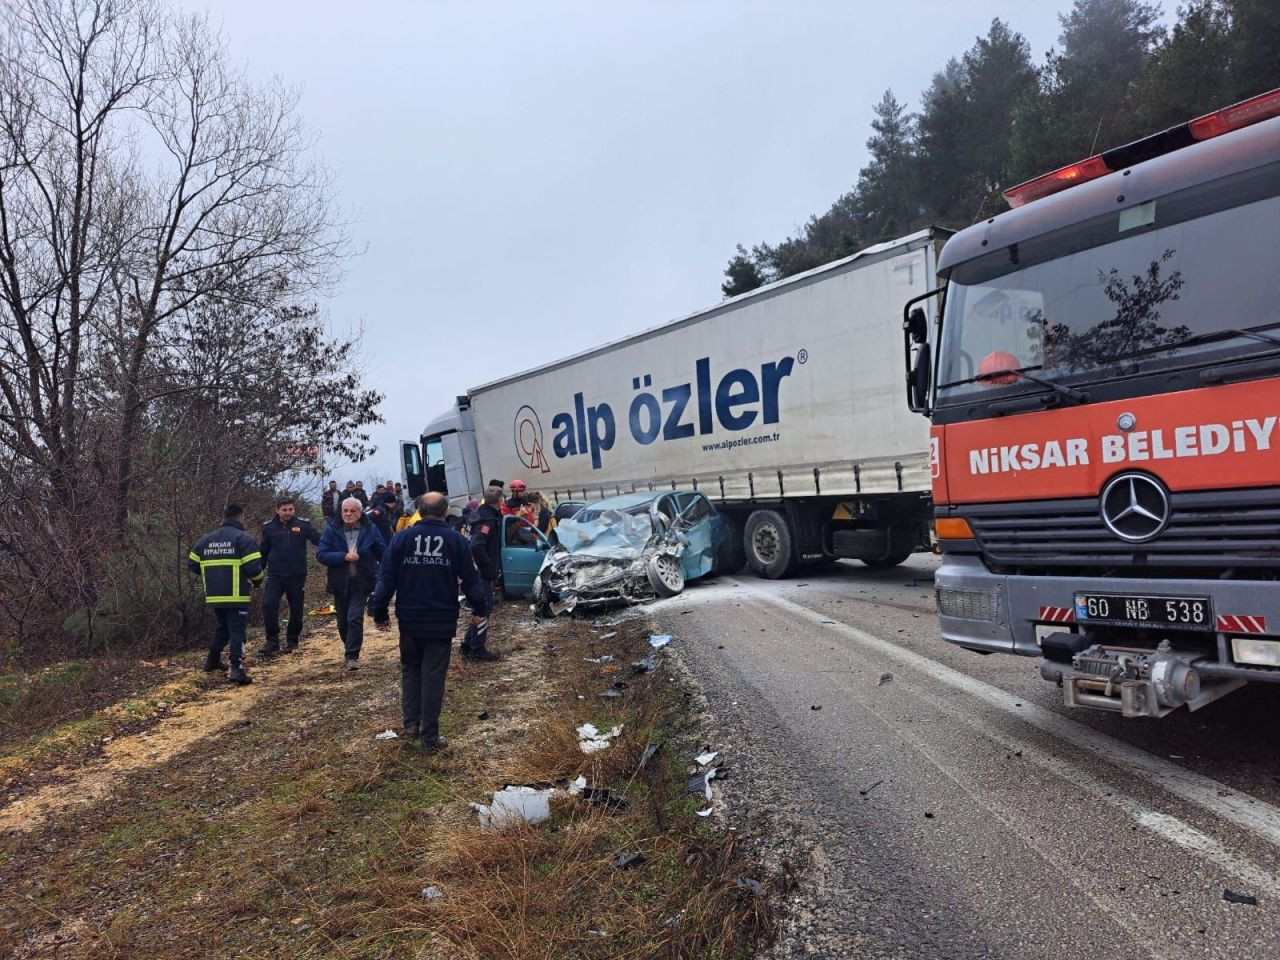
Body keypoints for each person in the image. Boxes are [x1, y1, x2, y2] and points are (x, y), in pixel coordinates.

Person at [370, 492, 490, 753]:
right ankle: (429, 738)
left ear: (420, 511)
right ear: (445, 512)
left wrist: (379, 612)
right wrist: (480, 607)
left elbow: (386, 578)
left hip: (410, 619)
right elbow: (470, 578)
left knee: (411, 671)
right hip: (441, 619)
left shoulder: (401, 538)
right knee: (433, 676)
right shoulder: (455, 540)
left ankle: (411, 726)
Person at [187, 504, 264, 685]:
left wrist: (213, 575)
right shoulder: (243, 538)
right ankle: (236, 668)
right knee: (237, 631)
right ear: (241, 518)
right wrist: (258, 582)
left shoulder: (206, 539)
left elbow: (192, 564)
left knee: (223, 627)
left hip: (214, 595)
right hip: (236, 595)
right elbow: (254, 568)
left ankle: (212, 660)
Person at [317, 497, 385, 669]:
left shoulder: (371, 529)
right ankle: (349, 647)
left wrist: (384, 575)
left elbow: (382, 553)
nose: (348, 514)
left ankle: (352, 655)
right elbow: (321, 554)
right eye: (345, 511)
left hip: (362, 582)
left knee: (354, 618)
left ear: (360, 513)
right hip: (339, 583)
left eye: (352, 511)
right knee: (342, 622)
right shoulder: (332, 530)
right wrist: (342, 556)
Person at [258, 495, 322, 656]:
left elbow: (319, 541)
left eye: (290, 509)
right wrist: (257, 572)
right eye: (284, 510)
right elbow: (263, 552)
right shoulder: (269, 528)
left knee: (296, 609)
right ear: (277, 510)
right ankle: (272, 641)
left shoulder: (303, 525)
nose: (288, 512)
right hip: (275, 574)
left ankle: (292, 641)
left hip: (296, 574)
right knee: (269, 605)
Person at [462, 485, 504, 662]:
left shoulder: (482, 514)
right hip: (481, 573)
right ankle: (477, 648)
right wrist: (489, 569)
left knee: (479, 609)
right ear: (500, 500)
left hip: (476, 571)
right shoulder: (487, 520)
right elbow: (477, 546)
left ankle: (468, 643)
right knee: (483, 609)